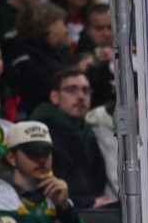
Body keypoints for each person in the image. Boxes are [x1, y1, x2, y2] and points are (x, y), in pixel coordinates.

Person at [29, 68, 109, 209]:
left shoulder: (89, 130)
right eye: (72, 90)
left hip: (93, 208)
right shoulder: (39, 131)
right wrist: (86, 203)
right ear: (55, 97)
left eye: (86, 90)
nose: (81, 96)